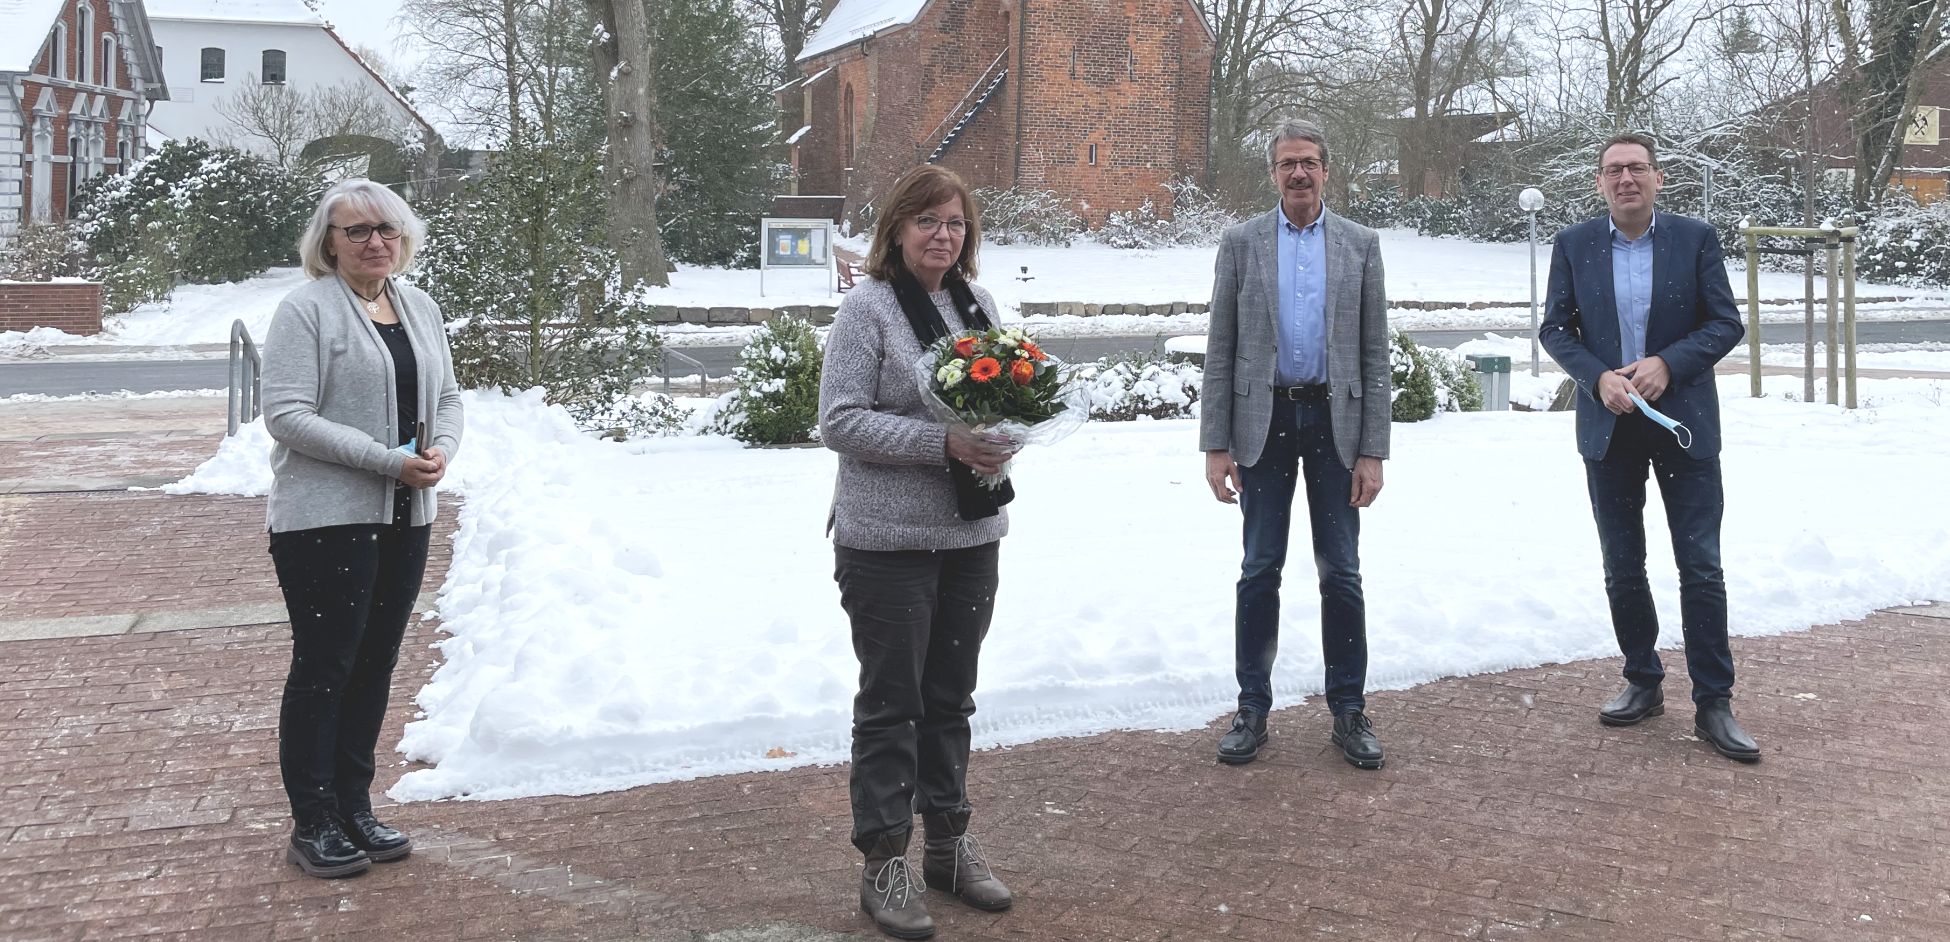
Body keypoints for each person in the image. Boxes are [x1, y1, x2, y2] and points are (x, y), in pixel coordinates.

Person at [818, 164, 1015, 940]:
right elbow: (839, 421)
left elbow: (1002, 396)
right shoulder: (867, 310)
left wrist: (1006, 437)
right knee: (893, 704)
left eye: (956, 223)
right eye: (928, 221)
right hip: (887, 542)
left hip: (971, 535)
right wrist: (946, 443)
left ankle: (949, 844)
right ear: (897, 229)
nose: (943, 235)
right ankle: (885, 861)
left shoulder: (978, 304)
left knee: (950, 700)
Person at [261, 179, 464, 877]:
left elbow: (447, 396)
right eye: (358, 232)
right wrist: (386, 461)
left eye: (388, 230)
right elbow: (287, 415)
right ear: (329, 242)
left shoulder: (419, 307)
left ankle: (355, 804)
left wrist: (441, 452)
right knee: (326, 667)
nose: (376, 242)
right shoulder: (305, 310)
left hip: (406, 516)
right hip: (325, 522)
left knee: (375, 665)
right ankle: (312, 820)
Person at [1538, 133, 1756, 762]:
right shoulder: (1573, 245)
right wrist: (1596, 375)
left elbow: (1725, 322)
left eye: (1636, 169)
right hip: (1610, 426)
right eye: (1614, 170)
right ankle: (1643, 680)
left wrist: (1668, 362)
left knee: (1701, 566)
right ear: (1600, 182)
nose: (1625, 179)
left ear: (1658, 179)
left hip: (1683, 424)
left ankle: (1714, 702)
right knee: (1623, 565)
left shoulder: (1695, 239)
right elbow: (1556, 327)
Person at [1199, 119, 1393, 771]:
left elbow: (1374, 352)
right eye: (1288, 164)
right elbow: (1221, 348)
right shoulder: (1242, 243)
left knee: (1342, 573)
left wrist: (1373, 451)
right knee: (1259, 570)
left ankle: (1349, 710)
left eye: (1310, 161)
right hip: (1266, 427)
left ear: (1328, 170)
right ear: (1273, 172)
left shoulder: (1361, 246)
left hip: (1336, 429)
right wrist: (1215, 446)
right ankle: (1252, 708)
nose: (1300, 173)